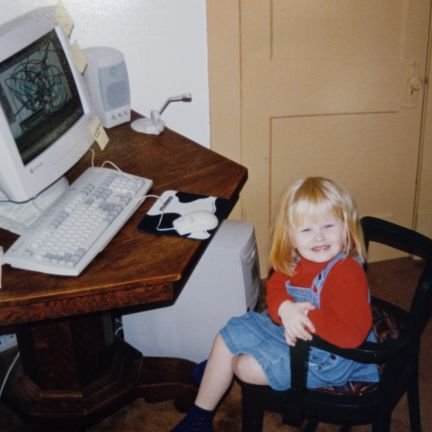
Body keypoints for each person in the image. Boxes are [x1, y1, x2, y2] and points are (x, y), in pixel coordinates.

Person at [171, 177, 379, 432]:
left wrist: (303, 317)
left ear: (346, 227)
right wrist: (285, 309)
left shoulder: (346, 272)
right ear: (290, 237)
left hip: (330, 356)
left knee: (244, 366)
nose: (319, 237)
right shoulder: (295, 256)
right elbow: (277, 286)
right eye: (306, 230)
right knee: (227, 335)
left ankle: (220, 369)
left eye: (328, 225)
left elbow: (351, 335)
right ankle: (199, 419)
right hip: (293, 329)